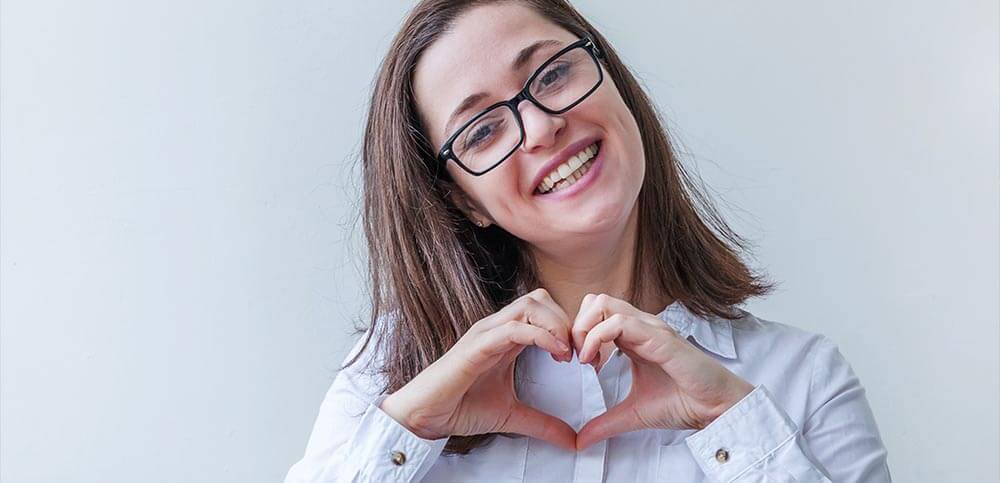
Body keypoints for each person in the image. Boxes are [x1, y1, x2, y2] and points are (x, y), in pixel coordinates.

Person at [284, 0, 892, 481]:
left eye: (552, 74)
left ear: (614, 82)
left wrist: (736, 427)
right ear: (464, 199)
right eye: (481, 130)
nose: (543, 127)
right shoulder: (385, 380)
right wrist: (406, 434)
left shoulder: (802, 380)